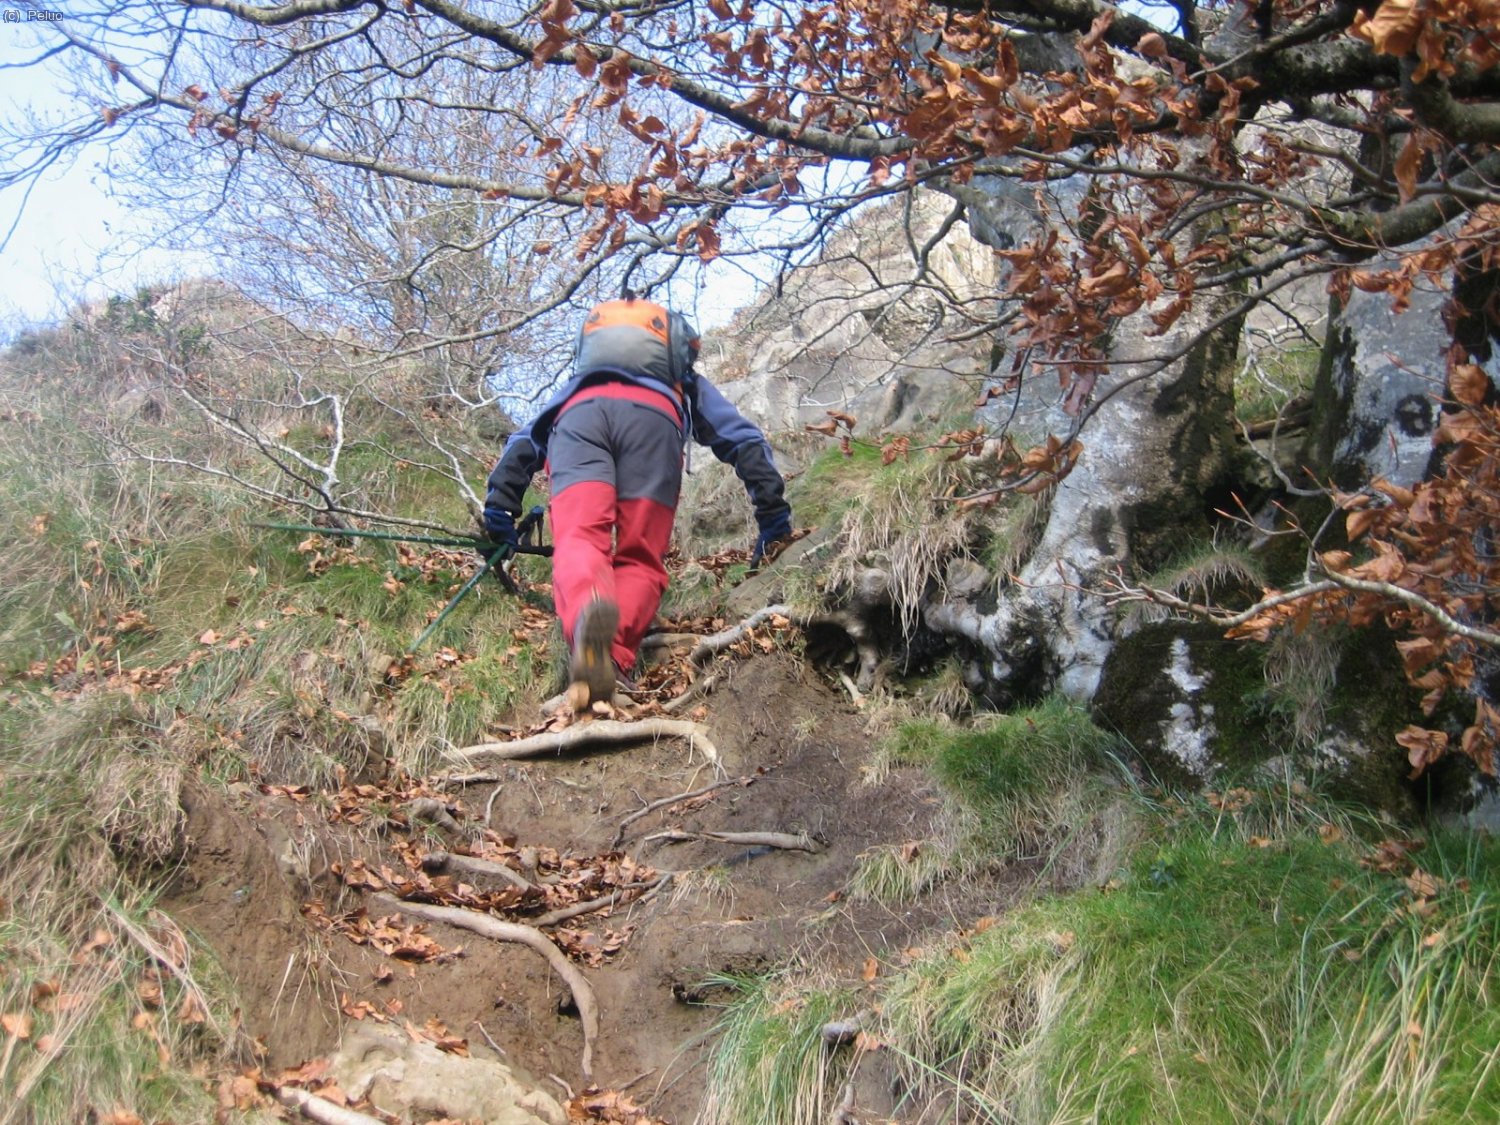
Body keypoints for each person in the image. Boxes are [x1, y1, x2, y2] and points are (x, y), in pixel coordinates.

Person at [483, 297, 793, 709]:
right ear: (675, 349)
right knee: (639, 557)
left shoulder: (578, 384)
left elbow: (525, 440)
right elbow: (744, 441)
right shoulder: (682, 382)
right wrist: (773, 517)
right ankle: (611, 659)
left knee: (578, 540)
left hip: (579, 419)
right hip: (654, 420)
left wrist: (500, 506)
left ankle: (589, 621)